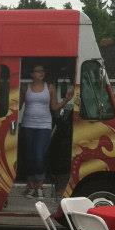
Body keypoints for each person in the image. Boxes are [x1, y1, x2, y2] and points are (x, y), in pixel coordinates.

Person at [20, 65, 74, 198]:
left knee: (39, 156)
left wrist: (66, 100)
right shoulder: (25, 88)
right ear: (32, 74)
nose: (41, 73)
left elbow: (54, 107)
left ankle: (39, 186)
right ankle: (30, 185)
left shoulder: (50, 88)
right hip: (27, 125)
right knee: (29, 157)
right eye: (38, 71)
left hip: (44, 126)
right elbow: (18, 105)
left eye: (42, 71)